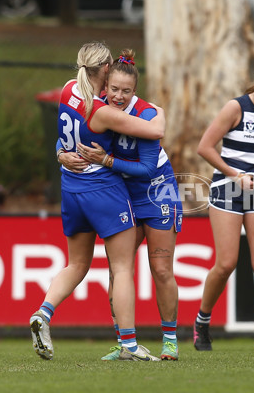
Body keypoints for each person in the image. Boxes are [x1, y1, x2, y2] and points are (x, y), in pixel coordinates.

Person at [29, 41, 166, 362]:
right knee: (121, 268)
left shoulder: (66, 89)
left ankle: (43, 314)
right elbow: (155, 128)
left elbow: (62, 138)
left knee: (76, 264)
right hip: (102, 189)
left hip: (71, 188)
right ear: (105, 69)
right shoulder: (102, 112)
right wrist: (160, 111)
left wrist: (60, 154)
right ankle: (130, 345)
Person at [72, 49, 182, 361]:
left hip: (158, 192)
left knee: (161, 268)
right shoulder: (96, 107)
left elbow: (147, 169)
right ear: (104, 84)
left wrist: (106, 160)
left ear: (136, 90)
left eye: (127, 91)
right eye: (114, 89)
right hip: (122, 194)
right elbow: (70, 135)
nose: (119, 97)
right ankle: (124, 343)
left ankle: (170, 340)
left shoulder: (146, 115)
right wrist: (61, 152)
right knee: (119, 269)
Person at [194, 67, 254, 352]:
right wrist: (235, 175)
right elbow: (205, 147)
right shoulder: (235, 108)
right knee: (226, 264)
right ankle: (202, 321)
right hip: (228, 188)